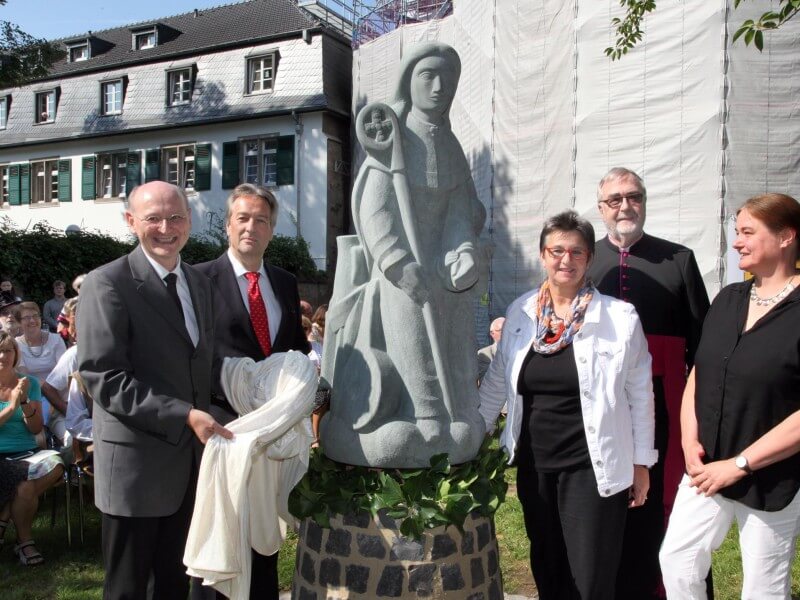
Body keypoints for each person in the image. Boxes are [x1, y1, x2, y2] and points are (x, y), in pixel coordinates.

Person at [479, 210, 656, 600]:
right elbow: (498, 380)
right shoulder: (522, 313)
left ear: (589, 259)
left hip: (592, 466)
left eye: (576, 252)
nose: (566, 260)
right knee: (548, 566)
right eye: (556, 250)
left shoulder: (619, 318)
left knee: (590, 578)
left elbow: (640, 394)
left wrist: (641, 462)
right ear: (543, 255)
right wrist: (473, 434)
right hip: (535, 465)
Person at [77, 181, 232, 600]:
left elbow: (201, 365)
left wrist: (251, 381)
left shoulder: (198, 283)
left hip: (189, 470)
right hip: (135, 473)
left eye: (176, 217)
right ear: (131, 222)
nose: (166, 227)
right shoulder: (107, 283)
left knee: (172, 586)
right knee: (129, 590)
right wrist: (184, 414)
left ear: (190, 220)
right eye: (153, 218)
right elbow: (102, 377)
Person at [659, 193, 800, 599]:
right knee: (678, 561)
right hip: (705, 469)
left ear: (786, 236)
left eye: (747, 232)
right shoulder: (728, 300)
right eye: (735, 232)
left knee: (763, 588)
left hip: (772, 476)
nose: (736, 242)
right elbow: (699, 374)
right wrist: (689, 443)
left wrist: (740, 464)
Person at [587, 166, 710, 599]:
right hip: (600, 407)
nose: (626, 206)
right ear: (601, 208)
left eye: (634, 196)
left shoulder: (679, 259)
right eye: (615, 199)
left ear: (644, 201)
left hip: (666, 404)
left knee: (664, 500)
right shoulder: (585, 262)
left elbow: (703, 344)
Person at [195, 183, 309, 600]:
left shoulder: (283, 281)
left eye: (261, 220)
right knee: (223, 535)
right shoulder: (199, 281)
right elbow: (192, 356)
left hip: (272, 433)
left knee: (264, 535)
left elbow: (295, 348)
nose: (251, 227)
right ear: (227, 225)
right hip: (223, 429)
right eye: (242, 218)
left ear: (271, 231)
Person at [0, 331, 65, 565]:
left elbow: (36, 427)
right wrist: (12, 405)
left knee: (57, 463)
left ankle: (5, 514)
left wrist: (25, 400)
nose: (3, 355)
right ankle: (25, 544)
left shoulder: (29, 383)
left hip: (26, 452)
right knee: (25, 487)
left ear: (16, 354)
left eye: (8, 350)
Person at [14, 301, 66, 441]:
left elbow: (62, 373)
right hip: (33, 402)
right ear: (19, 322)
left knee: (70, 440)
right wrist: (44, 389)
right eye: (26, 317)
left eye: (35, 316)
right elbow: (25, 377)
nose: (32, 320)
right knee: (38, 441)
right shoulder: (16, 345)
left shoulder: (56, 339)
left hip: (60, 398)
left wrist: (53, 398)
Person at [42, 298, 80, 447]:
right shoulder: (74, 354)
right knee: (73, 441)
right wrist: (69, 411)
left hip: (95, 414)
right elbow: (47, 388)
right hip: (64, 412)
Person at [477, 316, 505, 382]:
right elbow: (486, 381)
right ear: (492, 333)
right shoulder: (484, 355)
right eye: (503, 330)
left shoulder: (520, 351)